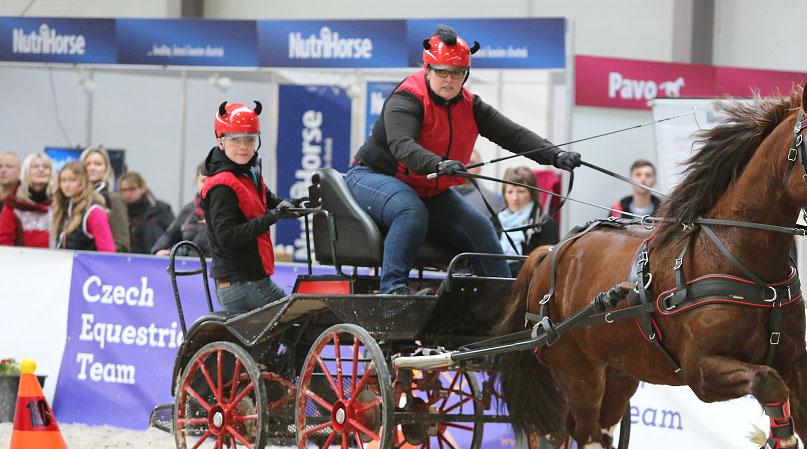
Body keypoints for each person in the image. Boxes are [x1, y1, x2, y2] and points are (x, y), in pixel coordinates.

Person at [347, 24, 580, 295]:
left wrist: (556, 155)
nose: (449, 80)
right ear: (428, 70)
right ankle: (392, 292)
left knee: (479, 226)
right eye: (442, 72)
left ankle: (506, 304)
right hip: (374, 177)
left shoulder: (471, 105)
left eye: (457, 73)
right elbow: (403, 147)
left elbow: (514, 135)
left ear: (465, 75)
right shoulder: (407, 100)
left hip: (427, 188)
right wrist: (438, 163)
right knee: (410, 211)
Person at [201, 101, 298, 313]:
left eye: (249, 140)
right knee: (298, 316)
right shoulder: (221, 184)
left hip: (250, 279)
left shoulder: (248, 172)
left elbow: (271, 202)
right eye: (235, 140)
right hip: (241, 283)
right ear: (221, 142)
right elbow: (226, 237)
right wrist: (272, 217)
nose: (244, 147)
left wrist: (300, 205)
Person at [50, 161, 116, 252]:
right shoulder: (64, 208)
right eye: (63, 180)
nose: (67, 185)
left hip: (86, 265)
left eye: (72, 180)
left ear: (83, 181)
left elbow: (108, 251)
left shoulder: (94, 212)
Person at [497, 166, 559, 259]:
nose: (515, 197)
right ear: (504, 194)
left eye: (521, 191)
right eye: (510, 192)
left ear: (532, 193)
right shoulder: (494, 220)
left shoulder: (546, 223)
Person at [153, 163, 210, 257]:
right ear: (196, 182)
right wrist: (159, 250)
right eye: (203, 181)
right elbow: (169, 235)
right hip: (187, 265)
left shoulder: (229, 209)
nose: (207, 185)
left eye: (212, 181)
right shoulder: (189, 209)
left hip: (217, 267)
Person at [81, 146, 131, 253]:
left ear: (106, 169)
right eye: (87, 164)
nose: (92, 168)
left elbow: (122, 242)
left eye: (98, 164)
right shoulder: (74, 200)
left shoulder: (114, 199)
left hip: (98, 262)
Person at [0, 152, 54, 248]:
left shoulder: (59, 203)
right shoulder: (14, 204)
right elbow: (5, 243)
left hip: (56, 260)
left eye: (46, 167)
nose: (41, 170)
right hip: (20, 261)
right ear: (26, 171)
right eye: (35, 167)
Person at [117, 171, 175, 254]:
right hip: (127, 261)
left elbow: (173, 235)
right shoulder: (118, 213)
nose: (127, 193)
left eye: (132, 189)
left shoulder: (160, 209)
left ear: (142, 188)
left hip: (156, 259)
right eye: (123, 190)